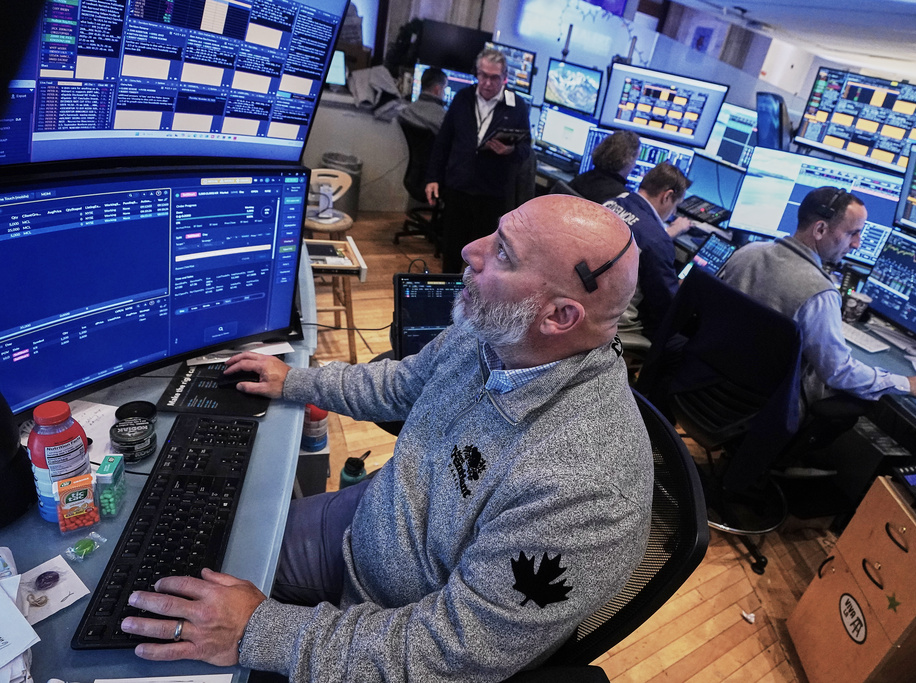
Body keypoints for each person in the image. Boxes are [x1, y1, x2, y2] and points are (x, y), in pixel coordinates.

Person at [120, 195, 655, 682]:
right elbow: (402, 383)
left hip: (390, 618)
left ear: (559, 316)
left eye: (503, 253)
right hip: (370, 519)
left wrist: (259, 632)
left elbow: (450, 652)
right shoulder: (497, 331)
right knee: (201, 547)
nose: (470, 250)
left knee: (172, 632)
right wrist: (297, 381)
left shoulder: (585, 490)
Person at [719, 186, 916, 408]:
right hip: (765, 405)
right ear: (820, 230)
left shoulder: (747, 252)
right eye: (852, 233)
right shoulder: (819, 293)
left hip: (713, 381)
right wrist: (908, 384)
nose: (857, 244)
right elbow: (839, 373)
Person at [424, 48, 532, 274]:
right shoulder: (463, 98)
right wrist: (433, 177)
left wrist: (510, 150)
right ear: (477, 73)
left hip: (491, 192)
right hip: (458, 186)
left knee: (484, 257)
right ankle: (449, 291)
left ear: (504, 78)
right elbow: (443, 141)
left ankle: (477, 295)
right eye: (483, 75)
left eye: (494, 77)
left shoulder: (517, 106)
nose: (487, 83)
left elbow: (525, 149)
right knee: (452, 249)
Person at [603, 161, 692, 342]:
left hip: (586, 300)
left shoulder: (613, 202)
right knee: (682, 342)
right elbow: (667, 308)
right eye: (676, 205)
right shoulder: (657, 240)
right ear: (667, 196)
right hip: (617, 323)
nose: (673, 212)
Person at [568, 130, 640, 204]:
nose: (634, 165)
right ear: (627, 161)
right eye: (635, 160)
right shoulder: (620, 199)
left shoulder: (580, 179)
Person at [398, 67, 447, 135]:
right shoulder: (444, 119)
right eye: (444, 88)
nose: (444, 93)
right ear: (437, 90)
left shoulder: (405, 111)